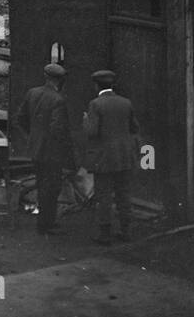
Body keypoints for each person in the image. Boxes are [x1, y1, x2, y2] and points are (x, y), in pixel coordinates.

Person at [15, 64, 75, 235]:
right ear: (60, 80)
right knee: (52, 187)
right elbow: (58, 130)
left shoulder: (32, 93)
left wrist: (33, 137)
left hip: (36, 150)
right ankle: (45, 224)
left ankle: (46, 221)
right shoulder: (58, 100)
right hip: (52, 153)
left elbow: (20, 119)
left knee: (42, 185)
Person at [84, 70, 139, 244]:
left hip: (104, 158)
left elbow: (92, 132)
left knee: (104, 196)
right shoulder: (126, 103)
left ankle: (105, 234)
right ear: (112, 85)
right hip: (124, 157)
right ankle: (126, 232)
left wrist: (85, 120)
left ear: (96, 85)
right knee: (124, 195)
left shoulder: (95, 104)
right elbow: (134, 127)